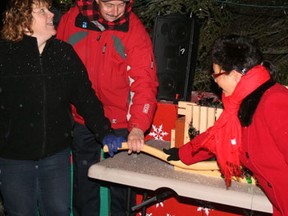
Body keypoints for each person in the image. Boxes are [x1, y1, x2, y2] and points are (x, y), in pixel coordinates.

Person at [0, 0, 125, 215]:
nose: (51, 15)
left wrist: (104, 132)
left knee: (58, 210)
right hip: (14, 159)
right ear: (22, 21)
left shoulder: (63, 53)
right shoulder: (4, 55)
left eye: (49, 10)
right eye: (42, 12)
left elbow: (86, 98)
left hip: (55, 158)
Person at [164, 35, 288, 216]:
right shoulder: (243, 102)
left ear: (236, 75)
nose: (214, 80)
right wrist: (183, 154)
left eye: (217, 74)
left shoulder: (274, 102)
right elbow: (217, 137)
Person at [56, 0, 158, 215]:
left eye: (121, 4)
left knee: (122, 191)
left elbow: (144, 81)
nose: (116, 11)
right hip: (82, 117)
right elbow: (57, 63)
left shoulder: (133, 29)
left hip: (121, 121)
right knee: (85, 184)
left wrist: (138, 126)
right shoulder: (72, 20)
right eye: (109, 4)